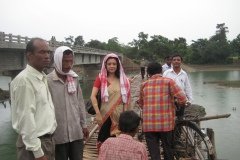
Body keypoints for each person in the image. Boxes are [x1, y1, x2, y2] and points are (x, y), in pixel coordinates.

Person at [10, 38, 57, 160]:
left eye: (48, 52)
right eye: (42, 52)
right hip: (34, 146)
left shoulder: (42, 77)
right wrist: (38, 153)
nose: (47, 56)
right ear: (29, 55)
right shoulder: (24, 81)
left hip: (47, 142)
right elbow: (26, 118)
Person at [138, 62, 187, 160]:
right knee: (168, 149)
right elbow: (183, 98)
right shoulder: (169, 82)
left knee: (154, 152)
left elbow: (141, 104)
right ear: (161, 71)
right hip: (166, 124)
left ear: (148, 73)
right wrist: (178, 104)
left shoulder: (143, 85)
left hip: (149, 125)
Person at [47, 46, 89, 160]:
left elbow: (80, 102)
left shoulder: (74, 78)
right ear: (57, 60)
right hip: (58, 135)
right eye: (65, 61)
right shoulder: (48, 81)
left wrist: (84, 125)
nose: (69, 65)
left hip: (76, 132)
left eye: (71, 61)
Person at [90, 53, 131, 151]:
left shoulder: (123, 80)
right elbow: (93, 96)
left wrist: (124, 116)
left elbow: (126, 100)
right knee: (104, 139)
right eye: (109, 64)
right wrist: (98, 114)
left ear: (118, 65)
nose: (112, 66)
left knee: (118, 141)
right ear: (105, 65)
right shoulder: (100, 78)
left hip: (119, 115)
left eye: (114, 64)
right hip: (104, 115)